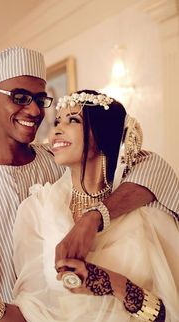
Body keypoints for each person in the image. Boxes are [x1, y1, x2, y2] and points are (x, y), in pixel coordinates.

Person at [0, 46, 178, 321]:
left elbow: (156, 168)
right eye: (20, 97)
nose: (34, 110)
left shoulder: (58, 162)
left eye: (40, 99)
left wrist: (93, 218)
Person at [12, 90, 179, 321]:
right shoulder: (37, 211)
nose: (56, 129)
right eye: (57, 121)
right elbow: (31, 310)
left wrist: (113, 285)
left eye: (73, 120)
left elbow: (168, 313)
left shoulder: (145, 209)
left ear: (103, 134)